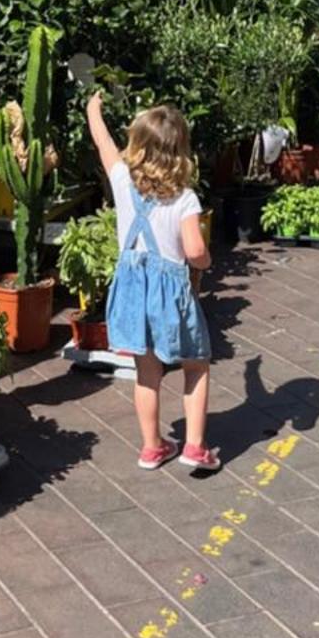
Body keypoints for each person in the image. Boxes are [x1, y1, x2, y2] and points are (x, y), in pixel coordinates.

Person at [85, 90, 216, 471]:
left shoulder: (122, 178)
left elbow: (102, 141)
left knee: (147, 371)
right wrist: (206, 260)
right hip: (170, 291)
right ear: (180, 151)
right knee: (196, 364)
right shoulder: (185, 198)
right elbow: (193, 252)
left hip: (131, 288)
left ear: (137, 145)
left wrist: (94, 109)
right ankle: (194, 447)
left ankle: (151, 446)